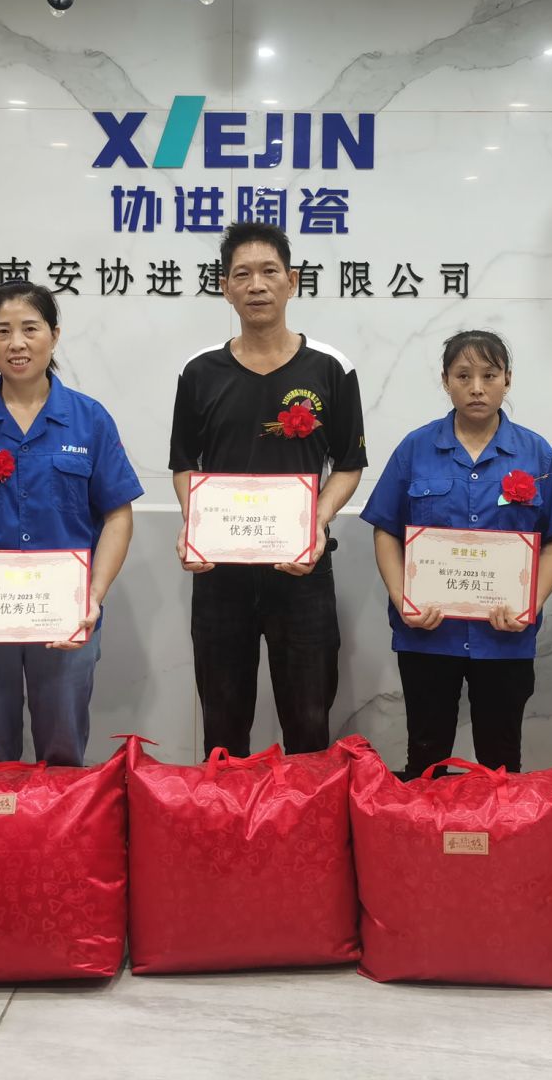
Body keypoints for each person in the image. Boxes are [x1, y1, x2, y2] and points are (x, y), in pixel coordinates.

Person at [0, 281, 141, 766]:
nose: (17, 343)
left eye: (30, 329)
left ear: (54, 335)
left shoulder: (89, 420)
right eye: (2, 331)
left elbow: (117, 514)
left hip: (66, 613)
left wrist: (93, 595)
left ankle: (59, 817)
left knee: (63, 747)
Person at [169, 221, 366, 757]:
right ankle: (227, 809)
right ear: (225, 287)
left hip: (302, 571)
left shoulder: (331, 368)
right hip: (220, 574)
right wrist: (194, 524)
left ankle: (305, 811)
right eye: (242, 274)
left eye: (269, 271)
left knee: (309, 720)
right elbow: (184, 464)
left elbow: (349, 465)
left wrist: (316, 522)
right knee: (222, 722)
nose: (256, 284)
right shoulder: (199, 372)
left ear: (292, 281)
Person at [360, 331, 552, 778]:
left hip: (504, 637)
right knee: (426, 755)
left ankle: (496, 826)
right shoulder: (416, 448)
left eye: (489, 376)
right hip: (427, 632)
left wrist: (531, 603)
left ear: (507, 380)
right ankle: (427, 825)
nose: (477, 388)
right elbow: (386, 531)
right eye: (463, 376)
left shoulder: (536, 453)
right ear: (446, 381)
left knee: (501, 759)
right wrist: (403, 598)